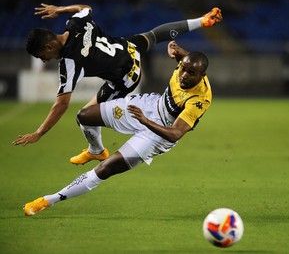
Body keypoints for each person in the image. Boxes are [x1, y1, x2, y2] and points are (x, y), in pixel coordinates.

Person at [12, 3, 222, 166]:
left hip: (126, 77)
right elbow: (85, 8)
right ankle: (202, 21)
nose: (44, 60)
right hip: (127, 48)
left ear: (49, 46)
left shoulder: (69, 62)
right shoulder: (76, 23)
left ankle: (96, 150)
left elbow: (61, 105)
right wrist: (60, 10)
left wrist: (39, 133)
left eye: (42, 56)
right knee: (154, 35)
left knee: (85, 116)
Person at [24, 40, 212, 216]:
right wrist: (175, 50)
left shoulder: (199, 100)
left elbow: (175, 134)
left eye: (190, 73)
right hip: (150, 106)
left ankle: (50, 200)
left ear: (202, 75)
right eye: (183, 69)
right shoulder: (187, 63)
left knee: (106, 168)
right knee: (84, 116)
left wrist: (145, 121)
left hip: (158, 136)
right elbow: (186, 58)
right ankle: (96, 150)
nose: (184, 75)